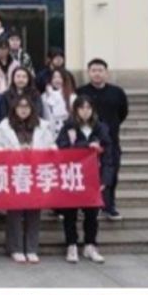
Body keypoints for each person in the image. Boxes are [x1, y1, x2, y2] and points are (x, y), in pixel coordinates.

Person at [0, 94, 56, 263]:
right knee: (14, 211)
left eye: (26, 106)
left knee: (34, 211)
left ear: (32, 108)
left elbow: (52, 146)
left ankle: (32, 248)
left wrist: (38, 150)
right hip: (14, 172)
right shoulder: (4, 125)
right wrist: (14, 150)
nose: (23, 109)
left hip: (36, 172)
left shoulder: (43, 125)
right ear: (14, 108)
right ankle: (15, 248)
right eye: (20, 106)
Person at [57, 96, 116, 264]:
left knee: (92, 214)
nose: (85, 111)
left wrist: (105, 179)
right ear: (75, 110)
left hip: (93, 178)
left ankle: (90, 244)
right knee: (70, 213)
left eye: (88, 108)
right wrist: (85, 146)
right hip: (73, 176)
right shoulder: (68, 127)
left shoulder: (100, 128)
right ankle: (71, 245)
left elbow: (108, 156)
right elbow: (63, 149)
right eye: (81, 108)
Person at [77, 59, 129, 220]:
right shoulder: (81, 92)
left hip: (111, 140)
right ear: (88, 72)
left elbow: (123, 112)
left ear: (106, 72)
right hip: (87, 141)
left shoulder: (117, 92)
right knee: (88, 174)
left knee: (111, 174)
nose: (97, 73)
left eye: (100, 70)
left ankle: (109, 205)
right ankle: (90, 204)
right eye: (93, 70)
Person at [43, 68, 77, 137]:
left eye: (60, 77)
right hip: (48, 132)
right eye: (54, 77)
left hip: (65, 133)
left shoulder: (72, 97)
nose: (57, 80)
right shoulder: (44, 96)